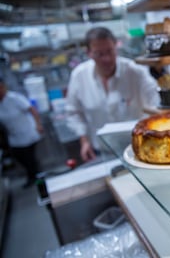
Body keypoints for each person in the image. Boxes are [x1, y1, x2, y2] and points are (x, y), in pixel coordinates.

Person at [66, 26, 160, 162]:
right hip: (101, 151)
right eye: (99, 54)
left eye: (110, 51)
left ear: (116, 47)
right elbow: (73, 112)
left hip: (137, 149)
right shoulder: (79, 76)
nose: (106, 59)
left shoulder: (136, 72)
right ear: (89, 53)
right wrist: (84, 140)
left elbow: (156, 103)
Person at [0, 77, 43, 188]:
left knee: (29, 157)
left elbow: (32, 110)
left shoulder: (14, 98)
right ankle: (34, 175)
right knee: (19, 156)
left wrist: (38, 125)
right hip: (13, 136)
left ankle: (35, 178)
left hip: (27, 132)